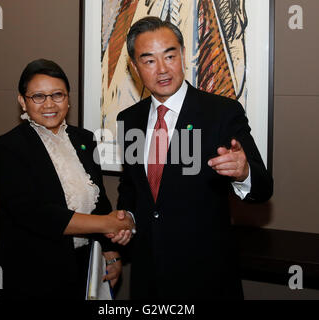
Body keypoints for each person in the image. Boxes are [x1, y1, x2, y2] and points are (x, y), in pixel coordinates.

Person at [116, 17, 273, 300]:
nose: (162, 69)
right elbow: (131, 186)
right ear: (134, 67)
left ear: (183, 55)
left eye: (170, 56)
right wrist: (126, 216)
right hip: (148, 275)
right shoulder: (128, 120)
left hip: (205, 275)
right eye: (149, 60)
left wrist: (243, 172)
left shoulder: (222, 113)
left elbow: (263, 187)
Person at [0, 58, 134, 299]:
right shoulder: (9, 146)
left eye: (58, 95)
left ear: (68, 99)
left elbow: (100, 202)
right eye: (38, 96)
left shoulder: (85, 139)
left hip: (82, 266)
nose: (49, 104)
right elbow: (33, 213)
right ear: (22, 102)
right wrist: (109, 224)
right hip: (32, 271)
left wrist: (111, 252)